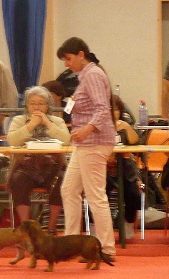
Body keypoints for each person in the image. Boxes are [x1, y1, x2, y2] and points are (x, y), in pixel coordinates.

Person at [57, 37, 116, 261]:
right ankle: (71, 243)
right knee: (69, 190)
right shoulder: (87, 75)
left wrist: (87, 129)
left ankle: (106, 249)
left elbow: (103, 109)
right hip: (85, 143)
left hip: (94, 142)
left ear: (82, 55)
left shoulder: (93, 75)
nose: (66, 64)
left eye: (69, 59)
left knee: (95, 196)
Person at [6, 86, 70, 235]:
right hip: (26, 166)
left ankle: (51, 228)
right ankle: (28, 229)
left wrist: (47, 123)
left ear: (48, 106)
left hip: (52, 166)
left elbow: (66, 140)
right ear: (27, 105)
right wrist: (31, 125)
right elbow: (12, 141)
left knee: (62, 181)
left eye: (41, 103)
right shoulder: (18, 120)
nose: (36, 107)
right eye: (32, 103)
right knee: (17, 181)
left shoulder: (57, 121)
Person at [107, 94, 141, 239]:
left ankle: (127, 223)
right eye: (109, 109)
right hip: (103, 169)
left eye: (116, 109)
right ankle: (98, 226)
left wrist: (126, 126)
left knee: (133, 193)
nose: (113, 113)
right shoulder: (96, 126)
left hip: (125, 168)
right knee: (96, 193)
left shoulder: (124, 124)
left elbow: (134, 141)